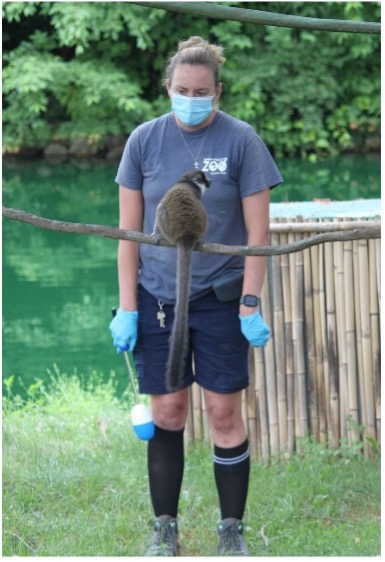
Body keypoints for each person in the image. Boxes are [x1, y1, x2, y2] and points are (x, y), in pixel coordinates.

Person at [110, 36, 283, 556]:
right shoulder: (144, 140)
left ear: (218, 92)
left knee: (224, 415)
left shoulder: (242, 140)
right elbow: (128, 234)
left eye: (201, 90)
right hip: (159, 295)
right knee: (167, 412)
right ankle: (166, 530)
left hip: (221, 295)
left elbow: (259, 235)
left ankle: (231, 532)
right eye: (182, 89)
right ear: (168, 88)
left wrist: (250, 303)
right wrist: (128, 308)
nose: (191, 98)